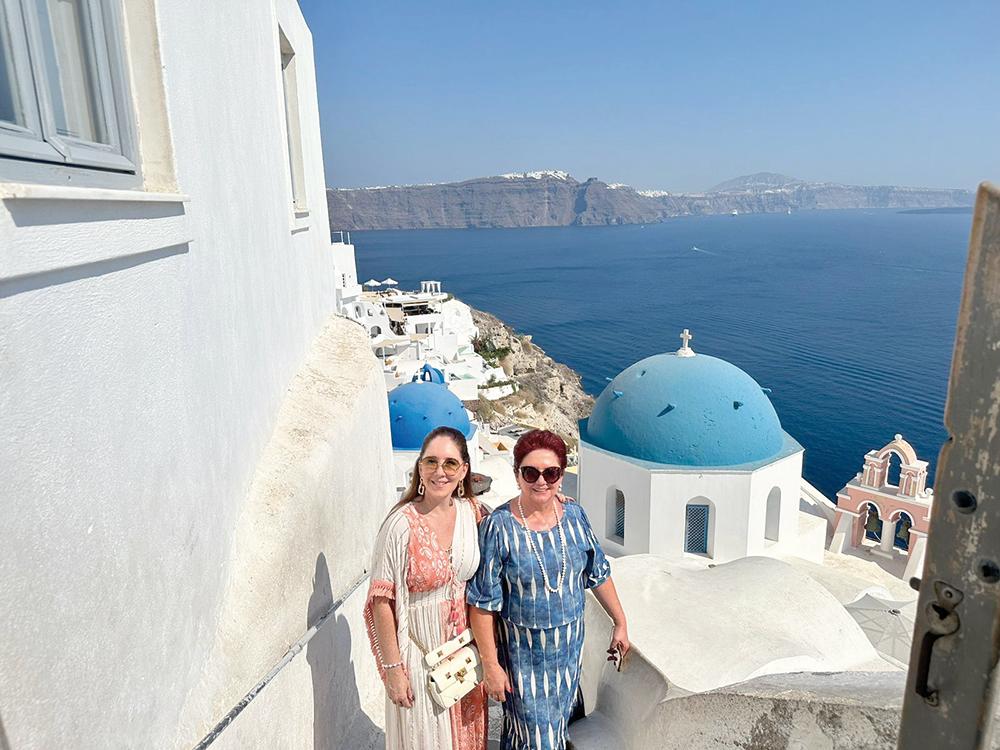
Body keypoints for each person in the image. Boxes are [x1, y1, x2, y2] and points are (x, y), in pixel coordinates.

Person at [468, 429, 629, 750]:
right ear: (517, 476)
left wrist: (620, 622)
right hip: (523, 663)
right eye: (531, 473)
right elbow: (482, 604)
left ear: (561, 475)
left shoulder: (575, 516)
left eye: (551, 473)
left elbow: (598, 573)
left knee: (547, 736)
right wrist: (491, 665)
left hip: (568, 659)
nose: (541, 481)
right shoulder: (499, 527)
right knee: (536, 740)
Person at [364, 426, 488, 750]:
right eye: (431, 462)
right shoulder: (399, 525)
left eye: (449, 463)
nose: (439, 472)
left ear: (463, 471)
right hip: (419, 657)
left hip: (464, 654)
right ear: (419, 468)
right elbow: (381, 602)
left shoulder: (472, 514)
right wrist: (393, 671)